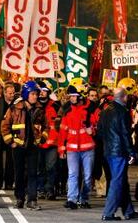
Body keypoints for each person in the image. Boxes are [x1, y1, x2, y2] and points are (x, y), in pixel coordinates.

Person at [1, 80, 47, 210]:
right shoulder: (15, 108)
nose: (35, 96)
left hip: (33, 147)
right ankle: (19, 199)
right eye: (33, 94)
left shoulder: (39, 109)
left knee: (33, 173)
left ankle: (32, 200)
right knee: (19, 174)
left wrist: (42, 138)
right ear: (27, 94)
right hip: (19, 147)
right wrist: (11, 142)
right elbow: (4, 126)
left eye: (36, 94)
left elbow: (46, 126)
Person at [99, 88, 138, 221]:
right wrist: (131, 152)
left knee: (121, 180)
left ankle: (128, 211)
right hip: (119, 151)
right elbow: (125, 134)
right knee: (117, 181)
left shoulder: (105, 111)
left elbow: (99, 131)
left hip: (108, 150)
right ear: (124, 97)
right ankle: (108, 213)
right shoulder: (123, 112)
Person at [58, 82, 96, 210]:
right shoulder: (67, 109)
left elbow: (98, 124)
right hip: (72, 149)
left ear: (81, 96)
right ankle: (72, 199)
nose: (72, 98)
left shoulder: (90, 109)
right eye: (71, 96)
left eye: (75, 96)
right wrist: (61, 148)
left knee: (88, 176)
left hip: (88, 148)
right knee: (73, 174)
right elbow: (63, 130)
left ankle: (84, 199)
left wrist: (93, 130)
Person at [37, 80, 60, 201]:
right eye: (39, 91)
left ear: (48, 92)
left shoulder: (56, 106)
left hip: (52, 143)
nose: (41, 93)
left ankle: (50, 189)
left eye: (44, 91)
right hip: (38, 143)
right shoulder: (33, 105)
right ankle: (40, 189)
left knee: (51, 167)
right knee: (40, 168)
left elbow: (60, 125)